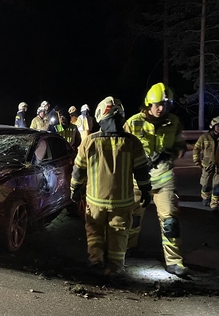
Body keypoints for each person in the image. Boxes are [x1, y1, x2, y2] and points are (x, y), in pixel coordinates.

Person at [70, 96, 151, 275]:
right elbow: (142, 171)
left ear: (100, 117)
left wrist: (75, 189)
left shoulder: (89, 142)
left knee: (94, 230)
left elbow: (78, 170)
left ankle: (96, 260)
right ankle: (114, 268)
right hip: (122, 202)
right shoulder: (132, 143)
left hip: (95, 200)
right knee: (119, 233)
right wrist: (146, 190)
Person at [124, 82, 189, 277]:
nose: (161, 108)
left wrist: (168, 154)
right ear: (148, 104)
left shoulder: (174, 122)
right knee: (133, 219)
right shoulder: (133, 123)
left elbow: (180, 146)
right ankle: (128, 248)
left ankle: (175, 262)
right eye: (158, 104)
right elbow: (122, 149)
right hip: (138, 180)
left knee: (170, 221)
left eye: (165, 104)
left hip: (163, 179)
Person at [192, 116, 219, 212]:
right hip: (207, 166)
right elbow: (196, 149)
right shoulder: (204, 137)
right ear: (213, 126)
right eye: (218, 126)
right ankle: (205, 197)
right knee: (206, 185)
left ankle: (215, 204)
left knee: (217, 187)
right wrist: (197, 161)